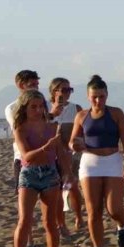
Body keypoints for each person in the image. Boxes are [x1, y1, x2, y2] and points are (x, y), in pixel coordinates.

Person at [6, 90, 73, 247]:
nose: (37, 110)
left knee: (49, 220)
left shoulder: (52, 126)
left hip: (50, 173)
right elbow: (26, 156)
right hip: (29, 174)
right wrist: (45, 147)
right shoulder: (20, 128)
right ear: (24, 108)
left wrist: (67, 173)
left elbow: (61, 153)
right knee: (25, 219)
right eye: (32, 107)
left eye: (40, 106)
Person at [69, 75, 124, 247]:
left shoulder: (116, 113)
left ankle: (122, 226)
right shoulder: (82, 116)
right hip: (90, 162)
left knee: (114, 208)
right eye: (94, 97)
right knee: (94, 210)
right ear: (88, 97)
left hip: (112, 160)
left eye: (101, 96)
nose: (98, 100)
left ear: (107, 95)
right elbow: (73, 140)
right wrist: (75, 144)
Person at [48, 77, 84, 232]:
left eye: (69, 90)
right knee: (57, 191)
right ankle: (61, 223)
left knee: (72, 187)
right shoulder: (46, 110)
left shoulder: (76, 108)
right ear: (54, 91)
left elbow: (81, 133)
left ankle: (78, 216)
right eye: (63, 90)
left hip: (71, 154)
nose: (66, 93)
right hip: (52, 156)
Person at [5, 70, 41, 194]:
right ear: (21, 86)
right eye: (32, 85)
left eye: (37, 84)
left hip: (47, 157)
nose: (36, 88)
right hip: (22, 157)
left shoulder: (43, 104)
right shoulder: (12, 107)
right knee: (23, 196)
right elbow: (20, 128)